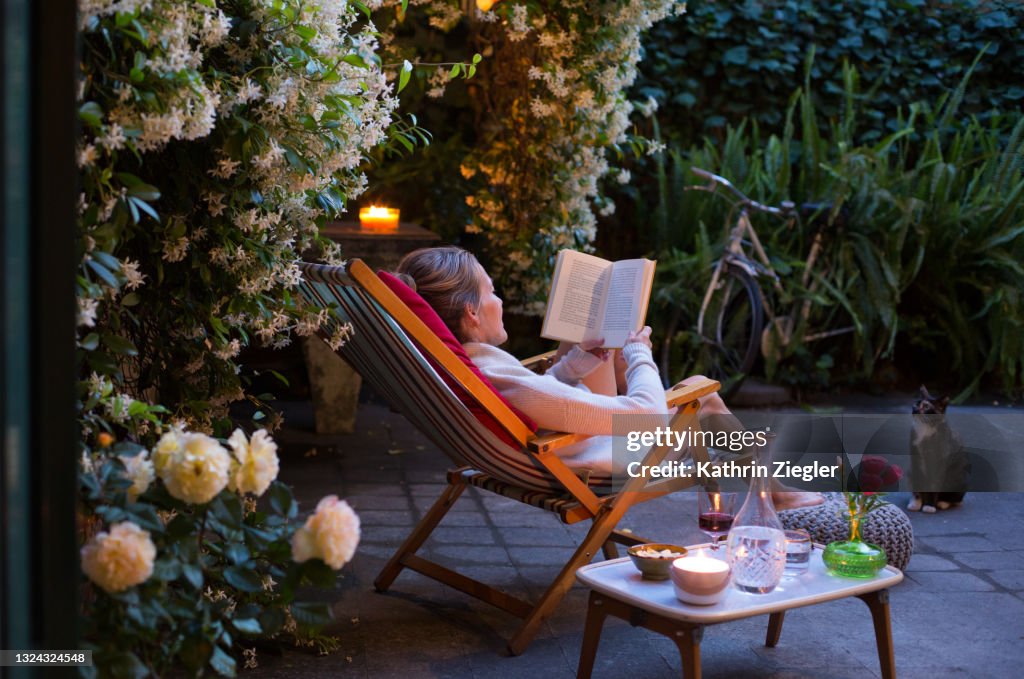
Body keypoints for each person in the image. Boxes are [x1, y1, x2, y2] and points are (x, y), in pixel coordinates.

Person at [395, 246, 822, 510]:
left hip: (556, 446)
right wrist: (640, 353)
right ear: (471, 311)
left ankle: (753, 490)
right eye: (491, 292)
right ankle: (771, 492)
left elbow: (540, 401)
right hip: (589, 463)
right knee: (703, 397)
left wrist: (578, 362)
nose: (499, 300)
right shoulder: (497, 374)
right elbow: (647, 416)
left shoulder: (470, 366)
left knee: (603, 346)